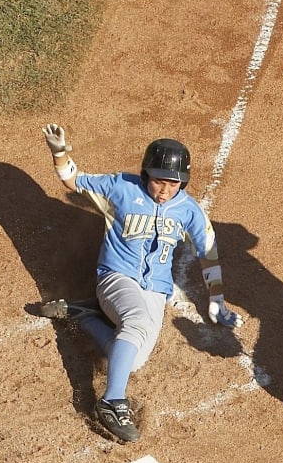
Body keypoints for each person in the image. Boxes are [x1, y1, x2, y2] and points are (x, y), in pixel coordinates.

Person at [35, 124, 241, 443]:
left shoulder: (189, 211)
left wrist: (217, 300)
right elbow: (75, 180)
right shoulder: (123, 188)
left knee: (133, 359)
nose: (163, 189)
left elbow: (209, 253)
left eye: (172, 183)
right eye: (159, 181)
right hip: (116, 278)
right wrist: (59, 152)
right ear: (146, 175)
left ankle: (84, 314)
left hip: (154, 290)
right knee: (137, 322)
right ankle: (111, 401)